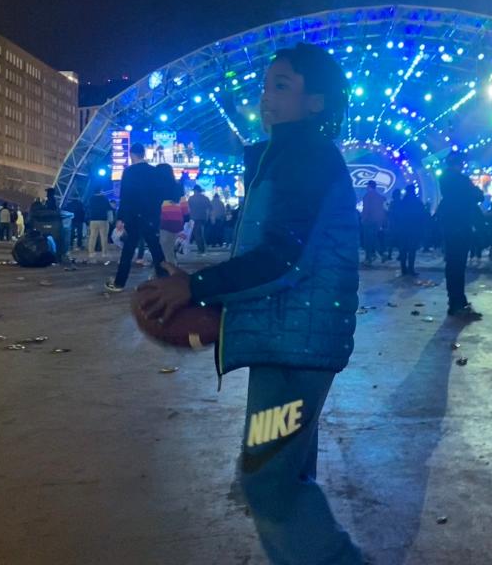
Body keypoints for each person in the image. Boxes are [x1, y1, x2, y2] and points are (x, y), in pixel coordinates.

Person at [134, 43, 363, 565]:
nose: (266, 96)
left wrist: (195, 289)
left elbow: (284, 258)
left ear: (316, 103)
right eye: (265, 85)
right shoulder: (286, 154)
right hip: (291, 343)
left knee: (268, 484)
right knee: (287, 473)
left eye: (281, 85)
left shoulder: (304, 156)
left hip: (293, 354)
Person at [105, 143, 170, 292]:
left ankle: (119, 283)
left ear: (132, 154)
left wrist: (121, 218)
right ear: (144, 154)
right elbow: (159, 195)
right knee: (156, 250)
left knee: (127, 251)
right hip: (150, 218)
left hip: (133, 217)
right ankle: (166, 281)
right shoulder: (154, 172)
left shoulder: (129, 172)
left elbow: (125, 196)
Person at [438, 151, 484, 319]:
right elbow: (479, 195)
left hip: (449, 225)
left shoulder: (444, 179)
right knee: (459, 265)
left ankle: (454, 302)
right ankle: (459, 303)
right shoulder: (461, 180)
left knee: (452, 264)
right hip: (461, 225)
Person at [396, 182, 425, 276]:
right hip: (414, 229)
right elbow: (422, 217)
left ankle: (403, 269)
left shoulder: (402, 202)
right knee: (412, 250)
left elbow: (398, 216)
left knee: (403, 249)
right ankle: (411, 269)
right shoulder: (417, 202)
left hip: (402, 229)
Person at [359, 180, 385, 266]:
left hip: (368, 221)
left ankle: (368, 258)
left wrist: (363, 219)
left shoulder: (367, 196)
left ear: (369, 186)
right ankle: (381, 254)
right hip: (376, 221)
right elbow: (381, 211)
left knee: (367, 240)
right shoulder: (379, 196)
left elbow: (366, 209)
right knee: (374, 238)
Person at [87, 190, 112, 260]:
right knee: (104, 237)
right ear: (101, 191)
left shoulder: (91, 199)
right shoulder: (104, 198)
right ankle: (104, 253)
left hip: (93, 220)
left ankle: (91, 253)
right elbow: (109, 208)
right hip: (103, 220)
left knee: (92, 237)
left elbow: (88, 208)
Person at [187, 185, 211, 254]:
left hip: (194, 218)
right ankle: (203, 247)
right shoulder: (205, 198)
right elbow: (209, 208)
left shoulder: (191, 198)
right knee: (201, 233)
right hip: (203, 218)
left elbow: (188, 208)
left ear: (195, 191)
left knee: (197, 234)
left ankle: (201, 249)